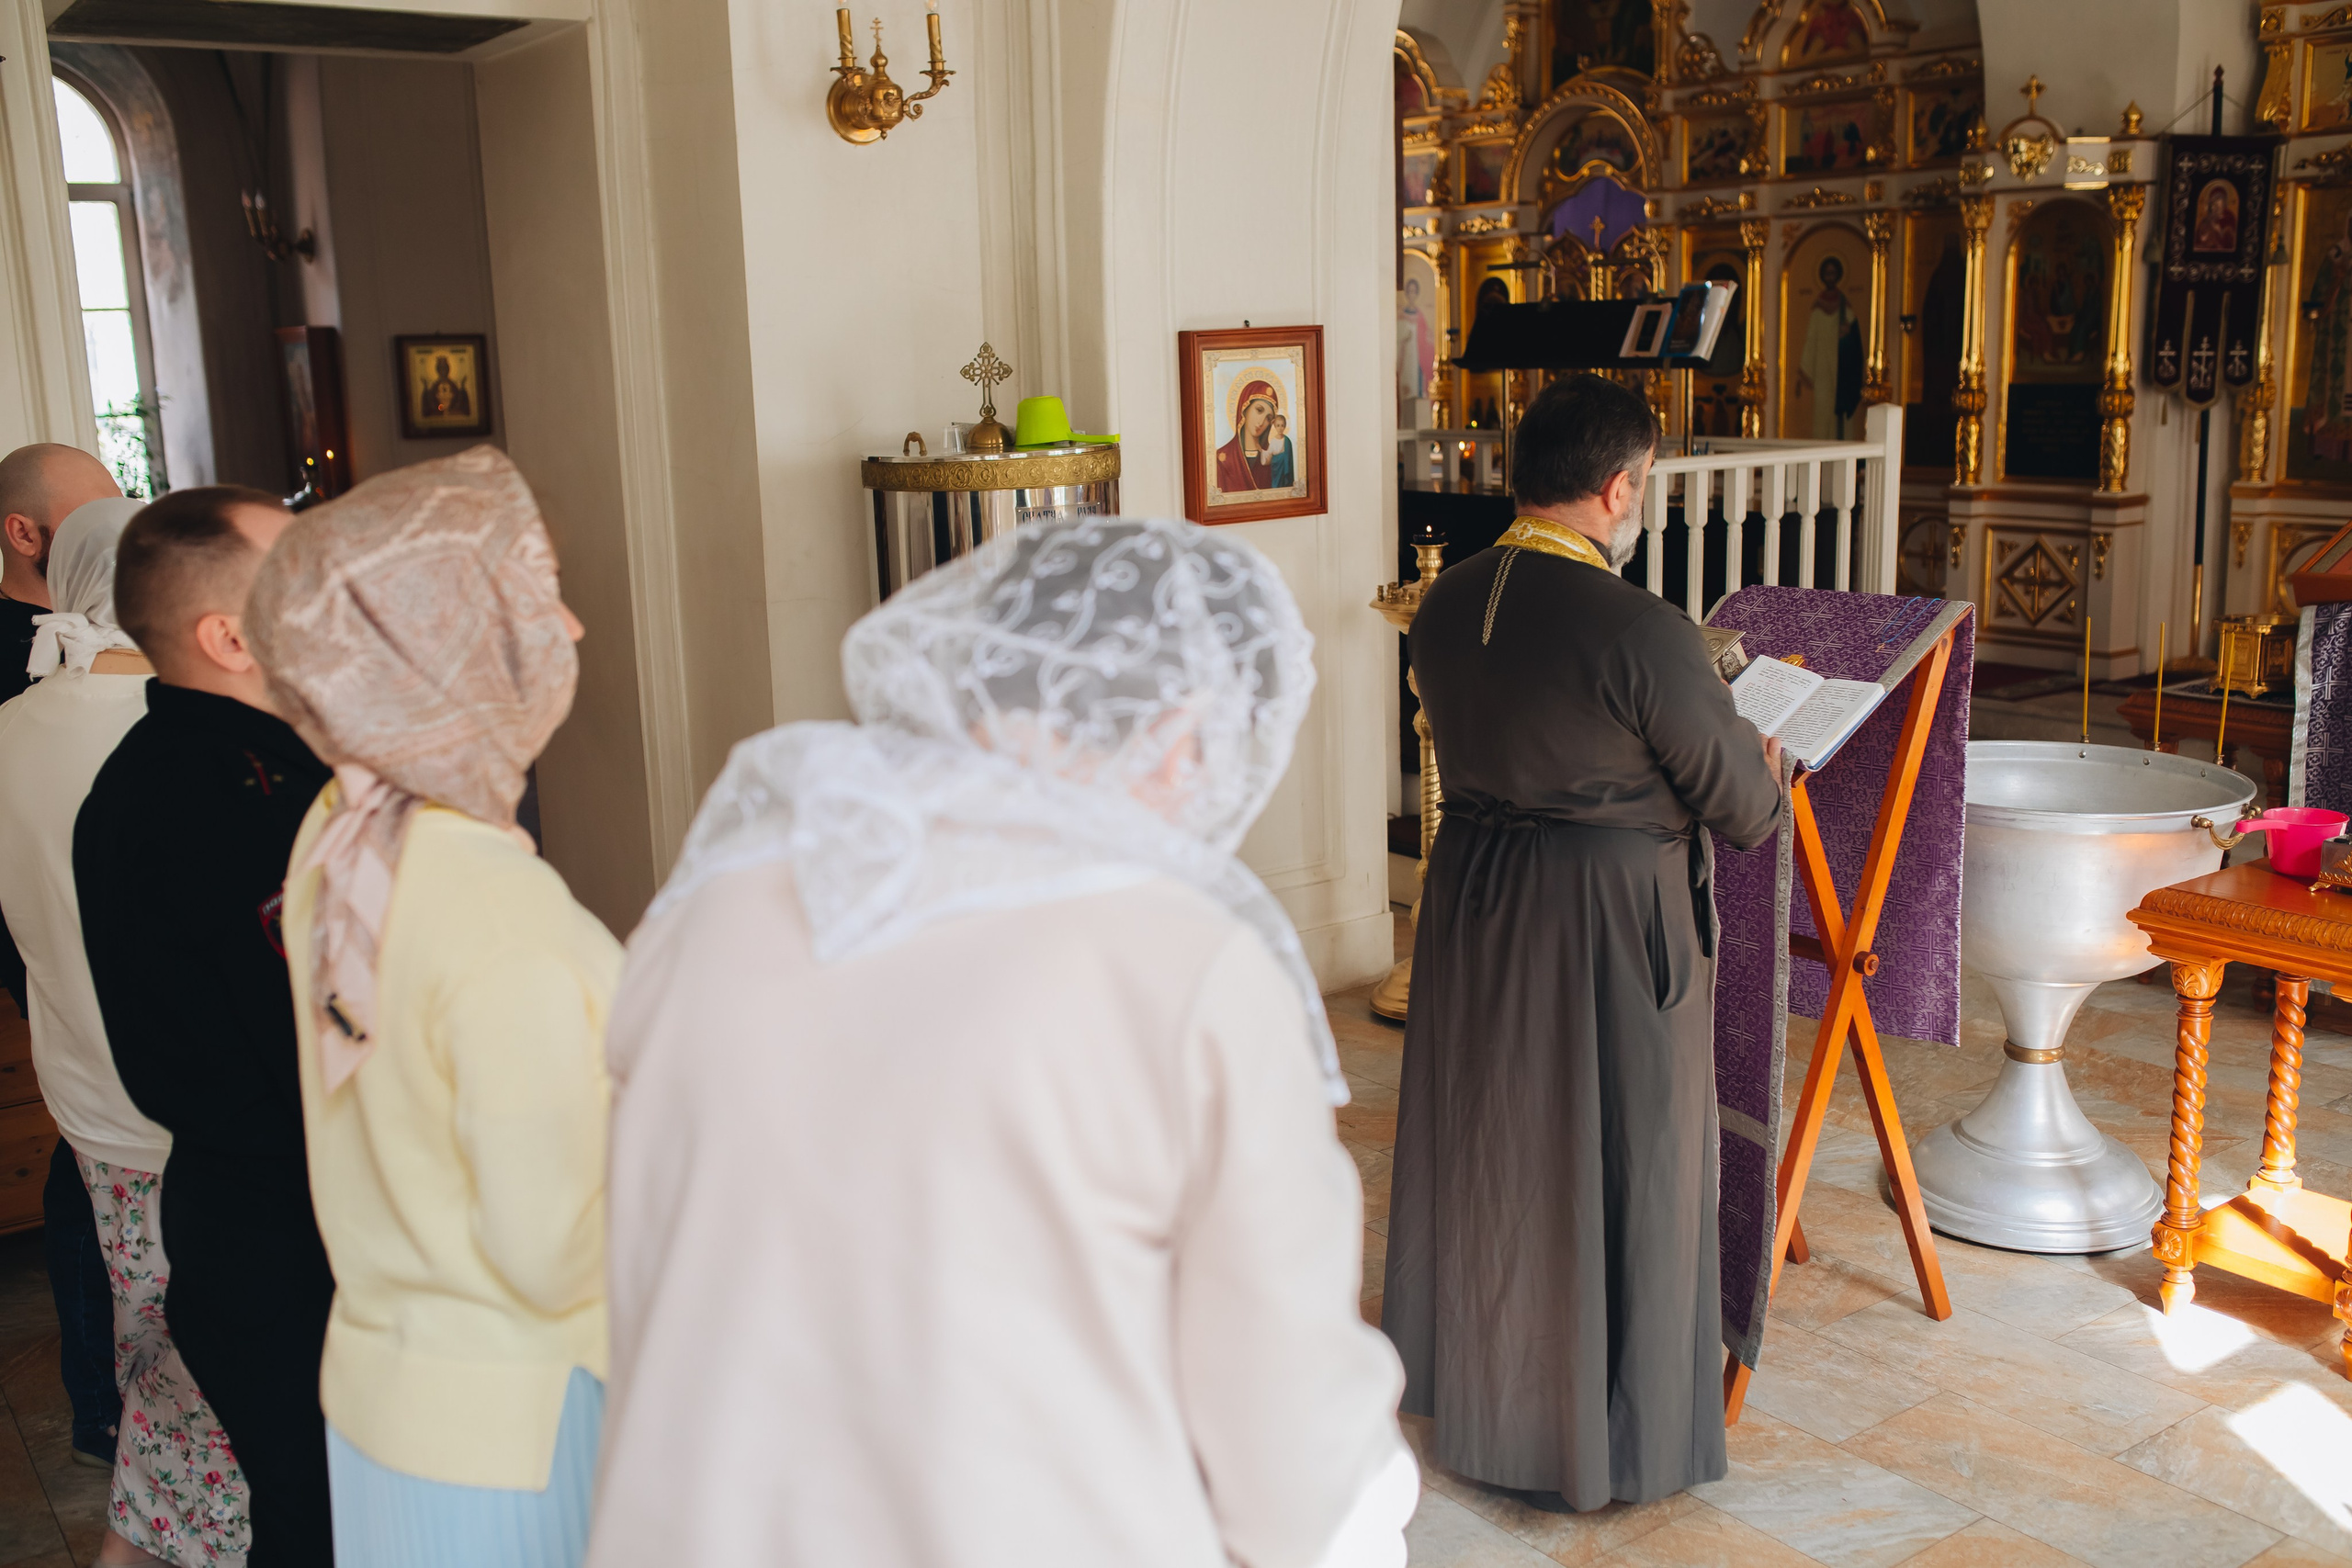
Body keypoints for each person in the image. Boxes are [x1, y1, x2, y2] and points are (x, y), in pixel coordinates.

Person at [586, 515, 1418, 1568]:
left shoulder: (717, 902)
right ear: (1179, 729)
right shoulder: (1187, 965)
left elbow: (644, 1257)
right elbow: (1289, 1444)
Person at [1382, 374, 1783, 1510]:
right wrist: (1763, 759)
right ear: (1616, 488)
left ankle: (1488, 1392)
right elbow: (1742, 811)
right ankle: (1606, 1436)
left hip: (1476, 896)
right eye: (1643, 482)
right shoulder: (1643, 628)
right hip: (1604, 917)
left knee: (1500, 1141)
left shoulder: (1445, 600)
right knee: (1622, 1158)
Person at [246, 446, 616, 1568]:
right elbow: (551, 1249)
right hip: (520, 1426)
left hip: (384, 1400)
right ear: (439, 642)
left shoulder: (339, 827)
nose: (571, 627)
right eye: (536, 597)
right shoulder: (502, 912)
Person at [77, 485, 337, 1566]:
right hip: (287, 1235)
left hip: (262, 1218)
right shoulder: (218, 798)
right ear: (228, 637)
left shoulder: (217, 770)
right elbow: (308, 1046)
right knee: (326, 1528)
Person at [0, 497, 253, 1566]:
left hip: (89, 1099)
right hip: (197, 1108)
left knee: (158, 1344)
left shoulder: (11, 729)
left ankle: (136, 1544)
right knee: (224, 1360)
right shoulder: (182, 734)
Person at [0, 443, 123, 1474]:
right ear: (24, 533)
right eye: (90, 519)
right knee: (89, 1147)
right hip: (38, 929)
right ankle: (103, 1399)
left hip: (109, 923)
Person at [1214, 381, 1280, 492]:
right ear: (1245, 408)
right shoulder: (1223, 459)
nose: (1261, 422)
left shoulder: (1273, 459)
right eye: (1259, 410)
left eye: (1268, 418)